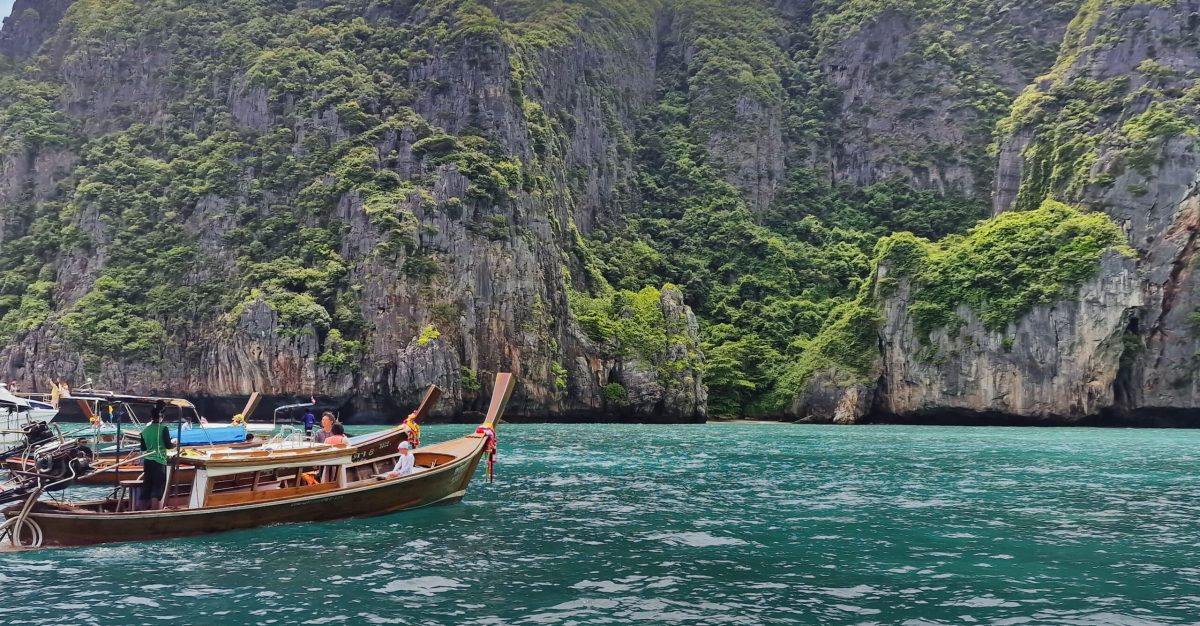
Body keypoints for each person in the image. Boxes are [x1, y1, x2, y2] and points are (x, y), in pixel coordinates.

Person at [138, 401, 176, 510]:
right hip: (159, 461)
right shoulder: (163, 428)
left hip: (147, 462)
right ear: (161, 416)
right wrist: (174, 443)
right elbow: (168, 446)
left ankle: (140, 512)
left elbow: (143, 448)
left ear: (151, 417)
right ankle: (154, 514)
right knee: (157, 489)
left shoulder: (145, 431)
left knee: (147, 488)